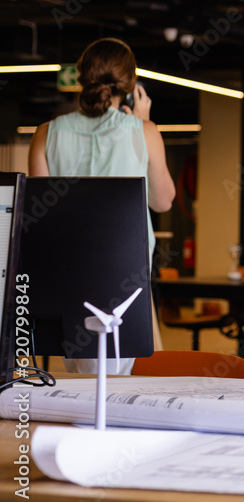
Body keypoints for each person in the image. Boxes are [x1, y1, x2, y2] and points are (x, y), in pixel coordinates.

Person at [28, 37, 175, 374]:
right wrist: (142, 124)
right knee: (126, 381)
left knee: (81, 381)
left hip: (66, 275)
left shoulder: (46, 133)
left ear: (81, 78)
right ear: (131, 84)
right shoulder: (145, 131)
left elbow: (39, 216)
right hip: (126, 277)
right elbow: (163, 200)